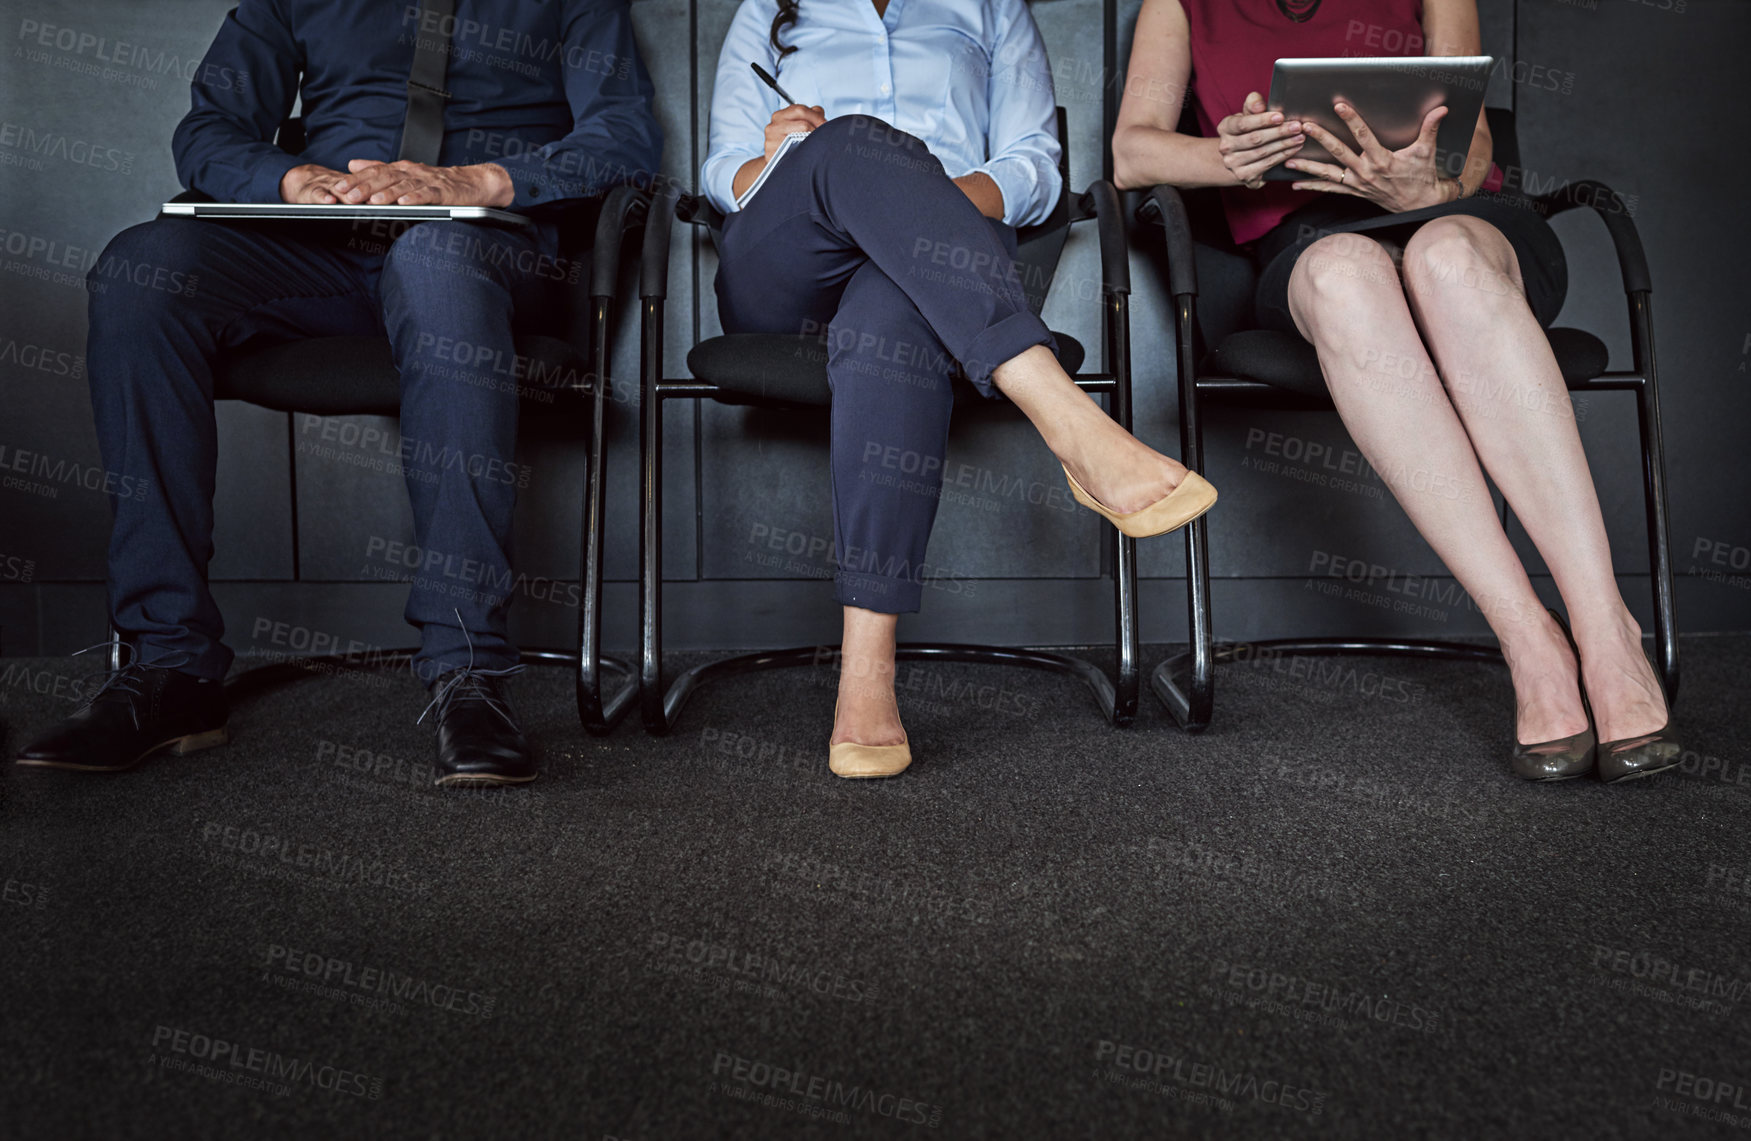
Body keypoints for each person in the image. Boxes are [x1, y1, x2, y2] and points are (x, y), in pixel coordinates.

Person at [14, 0, 663, 787]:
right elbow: (208, 130)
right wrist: (287, 178)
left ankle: (468, 671)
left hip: (486, 254)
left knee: (435, 263)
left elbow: (623, 140)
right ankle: (168, 665)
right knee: (140, 273)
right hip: (322, 250)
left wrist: (478, 180)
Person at [1112, 0, 1677, 782]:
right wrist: (1226, 158)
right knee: (1345, 275)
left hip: (1460, 217)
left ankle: (1606, 628)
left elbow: (1472, 147)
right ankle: (1528, 637)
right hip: (1306, 239)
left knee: (1443, 260)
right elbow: (1131, 155)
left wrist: (1428, 181)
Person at [702, 0, 1219, 780]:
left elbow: (1035, 169)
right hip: (785, 270)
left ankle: (865, 670)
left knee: (891, 306)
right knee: (852, 144)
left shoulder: (988, 7)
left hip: (935, 272)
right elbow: (718, 173)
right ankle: (1064, 417)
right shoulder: (766, 8)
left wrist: (912, 198)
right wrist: (777, 155)